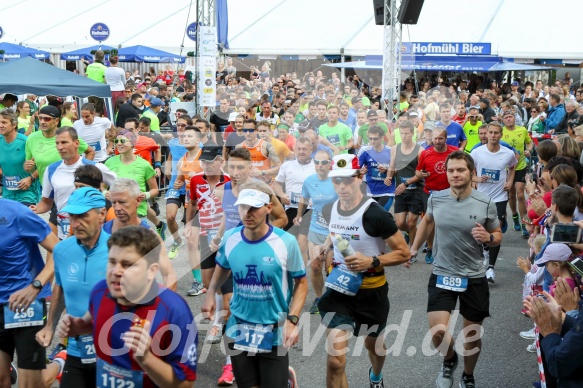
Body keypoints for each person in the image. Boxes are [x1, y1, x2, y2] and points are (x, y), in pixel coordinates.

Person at [55, 226, 198, 388]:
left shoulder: (175, 311)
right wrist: (78, 327)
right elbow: (92, 321)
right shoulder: (100, 291)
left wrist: (146, 359)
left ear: (151, 271)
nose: (116, 271)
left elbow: (185, 383)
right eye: (112, 262)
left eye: (127, 265)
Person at [410, 151, 502, 388]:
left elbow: (498, 235)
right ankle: (449, 359)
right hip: (443, 272)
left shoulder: (486, 203)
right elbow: (427, 221)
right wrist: (413, 248)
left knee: (472, 336)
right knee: (438, 331)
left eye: (460, 170)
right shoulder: (436, 199)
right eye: (450, 170)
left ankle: (468, 376)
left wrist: (489, 236)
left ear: (471, 173)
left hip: (473, 276)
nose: (454, 174)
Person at [316, 154, 410, 388]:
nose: (341, 186)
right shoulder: (330, 208)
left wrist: (372, 262)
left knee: (374, 346)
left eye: (347, 180)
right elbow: (336, 231)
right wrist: (326, 245)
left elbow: (404, 253)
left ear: (361, 176)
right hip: (339, 290)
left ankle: (376, 376)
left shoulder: (376, 214)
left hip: (371, 292)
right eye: (336, 181)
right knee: (336, 361)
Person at [202, 184, 308, 388]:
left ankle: (283, 380)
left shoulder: (286, 242)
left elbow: (301, 283)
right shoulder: (230, 238)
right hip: (239, 327)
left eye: (254, 208)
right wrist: (210, 294)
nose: (247, 213)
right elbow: (222, 266)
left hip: (274, 328)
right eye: (243, 207)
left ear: (268, 208)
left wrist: (292, 321)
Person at [35, 187, 108, 387]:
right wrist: (50, 326)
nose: (75, 224)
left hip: (114, 353)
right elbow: (60, 288)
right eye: (72, 217)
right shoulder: (61, 250)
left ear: (101, 214)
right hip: (77, 351)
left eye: (83, 216)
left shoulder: (119, 251)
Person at [0, 199, 61, 388]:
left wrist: (36, 285)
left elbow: (60, 251)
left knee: (32, 385)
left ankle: (61, 362)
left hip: (26, 304)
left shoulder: (17, 213)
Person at [32, 127, 116, 240]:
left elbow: (121, 187)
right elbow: (46, 202)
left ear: (76, 143)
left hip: (91, 231)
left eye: (64, 142)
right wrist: (34, 210)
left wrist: (107, 194)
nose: (60, 147)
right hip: (64, 231)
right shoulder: (51, 169)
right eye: (57, 143)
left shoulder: (94, 167)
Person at [471, 122, 517, 283]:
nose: (492, 135)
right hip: (480, 197)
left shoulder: (508, 153)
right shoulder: (477, 153)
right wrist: (475, 178)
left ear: (501, 135)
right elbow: (467, 170)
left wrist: (510, 182)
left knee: (496, 230)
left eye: (496, 133)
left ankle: (490, 268)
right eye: (490, 132)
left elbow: (513, 168)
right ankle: (484, 250)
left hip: (499, 198)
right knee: (479, 230)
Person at [294, 149, 338, 314]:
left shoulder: (337, 180)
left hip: (335, 231)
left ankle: (335, 296)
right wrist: (299, 215)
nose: (320, 166)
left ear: (330, 163)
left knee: (333, 267)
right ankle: (319, 298)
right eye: (317, 162)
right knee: (314, 266)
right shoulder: (309, 181)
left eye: (324, 162)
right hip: (316, 228)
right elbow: (304, 198)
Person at [104, 129, 167, 239]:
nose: (118, 144)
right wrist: (105, 192)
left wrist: (145, 195)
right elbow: (101, 186)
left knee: (137, 250)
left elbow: (155, 190)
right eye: (117, 141)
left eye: (122, 141)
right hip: (116, 213)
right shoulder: (110, 162)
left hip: (137, 212)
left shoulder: (144, 165)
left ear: (132, 143)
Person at [409, 127, 458, 263]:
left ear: (446, 139)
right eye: (435, 138)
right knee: (430, 222)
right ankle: (430, 248)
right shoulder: (426, 153)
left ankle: (447, 249)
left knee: (449, 223)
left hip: (450, 193)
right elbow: (418, 172)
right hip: (429, 192)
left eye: (440, 138)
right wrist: (420, 174)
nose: (437, 141)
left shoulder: (455, 152)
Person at [387, 121, 425, 248]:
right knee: (400, 223)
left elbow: (421, 174)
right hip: (401, 191)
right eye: (402, 133)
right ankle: (414, 233)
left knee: (411, 223)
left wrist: (406, 183)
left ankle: (412, 250)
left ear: (413, 133)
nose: (404, 136)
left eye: (407, 133)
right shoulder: (395, 148)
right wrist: (388, 177)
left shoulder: (420, 150)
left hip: (416, 191)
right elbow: (392, 167)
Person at [501, 110, 533, 237]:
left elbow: (529, 142)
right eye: (506, 117)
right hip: (506, 167)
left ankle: (524, 223)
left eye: (511, 117)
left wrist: (528, 150)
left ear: (514, 119)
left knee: (520, 194)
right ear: (503, 120)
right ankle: (514, 216)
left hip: (520, 166)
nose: (509, 119)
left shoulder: (522, 130)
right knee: (511, 193)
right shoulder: (501, 131)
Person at [0, 109, 40, 205]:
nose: (0, 125)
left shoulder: (26, 142)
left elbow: (43, 165)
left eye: (4, 122)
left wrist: (31, 178)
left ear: (14, 125)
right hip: (7, 194)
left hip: (27, 194)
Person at [165, 114, 190, 259]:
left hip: (189, 187)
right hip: (174, 185)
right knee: (170, 216)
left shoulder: (197, 145)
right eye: (178, 125)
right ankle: (177, 240)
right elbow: (170, 157)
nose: (180, 127)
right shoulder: (173, 143)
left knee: (189, 222)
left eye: (183, 125)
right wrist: (167, 170)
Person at [358, 125, 395, 209]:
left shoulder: (391, 151)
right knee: (372, 218)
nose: (372, 141)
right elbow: (356, 169)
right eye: (370, 138)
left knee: (382, 214)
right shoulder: (365, 151)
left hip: (387, 190)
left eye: (375, 139)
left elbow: (398, 171)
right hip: (371, 191)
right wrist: (360, 171)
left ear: (382, 138)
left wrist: (386, 171)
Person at [235, 119, 282, 184]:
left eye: (251, 130)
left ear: (256, 131)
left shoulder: (267, 146)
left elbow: (279, 167)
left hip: (265, 185)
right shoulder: (239, 147)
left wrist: (262, 172)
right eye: (245, 130)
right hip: (246, 186)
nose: (248, 133)